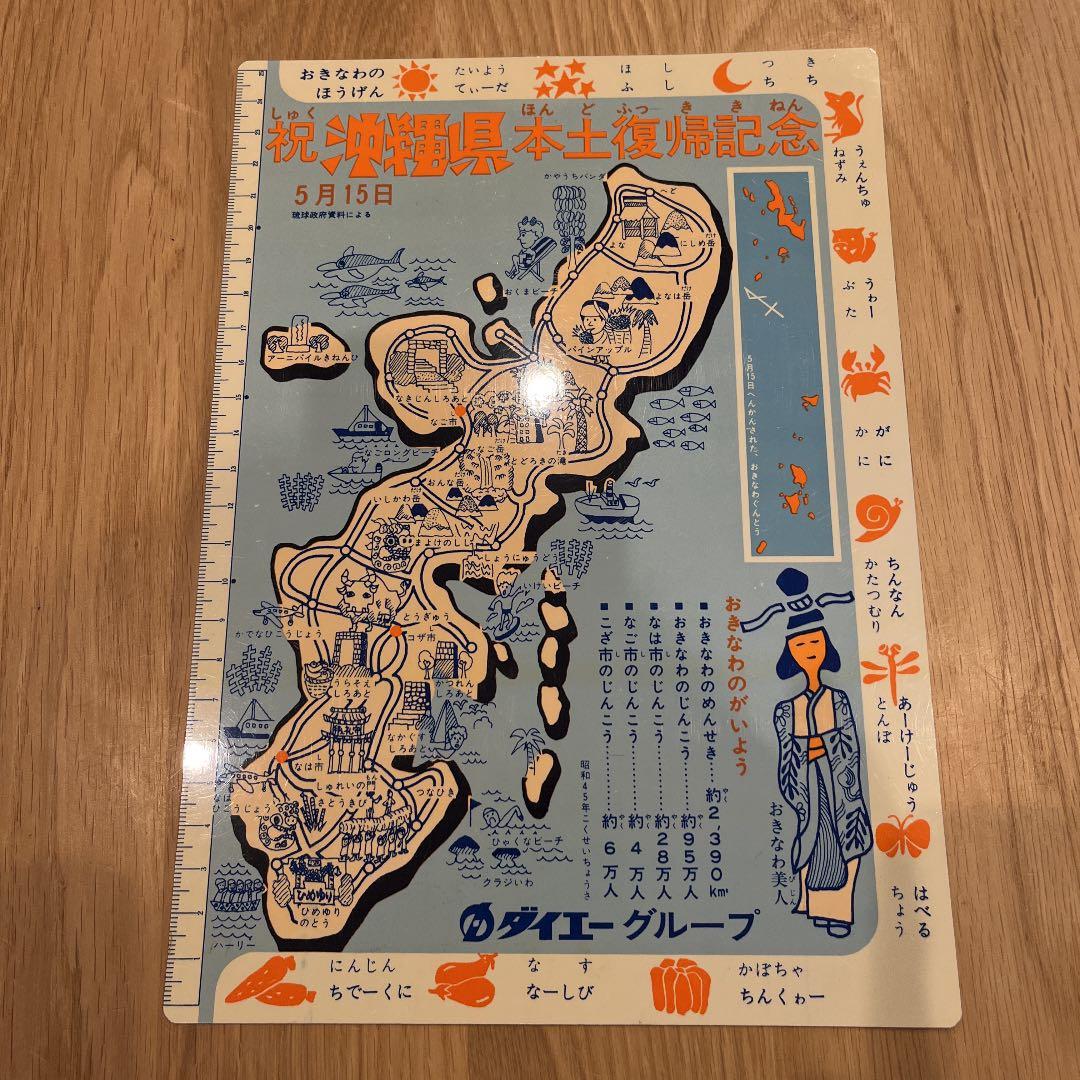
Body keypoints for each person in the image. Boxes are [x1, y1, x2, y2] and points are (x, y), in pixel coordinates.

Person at [742, 568, 872, 938]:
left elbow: (850, 749)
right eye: (800, 646)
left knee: (846, 841)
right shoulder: (787, 710)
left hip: (838, 789)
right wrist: (807, 757)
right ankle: (815, 907)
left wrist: (821, 747)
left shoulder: (838, 699)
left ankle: (840, 914)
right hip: (810, 791)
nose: (809, 650)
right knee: (812, 842)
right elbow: (786, 759)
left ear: (826, 645)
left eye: (815, 642)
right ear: (790, 653)